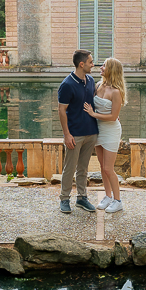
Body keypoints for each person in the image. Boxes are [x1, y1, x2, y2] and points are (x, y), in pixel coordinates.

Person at [57, 49, 98, 214]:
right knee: (70, 167)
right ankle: (64, 199)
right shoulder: (67, 84)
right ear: (82, 64)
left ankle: (82, 198)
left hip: (91, 132)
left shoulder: (91, 80)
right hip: (75, 135)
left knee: (83, 168)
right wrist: (67, 134)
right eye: (90, 62)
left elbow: (95, 102)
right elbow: (61, 110)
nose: (93, 65)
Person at [84, 57, 126, 212]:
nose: (100, 67)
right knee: (102, 167)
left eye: (104, 66)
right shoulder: (98, 85)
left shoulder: (116, 92)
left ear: (111, 70)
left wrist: (93, 115)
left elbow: (114, 117)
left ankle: (118, 200)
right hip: (98, 129)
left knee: (109, 168)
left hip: (111, 131)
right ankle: (108, 196)